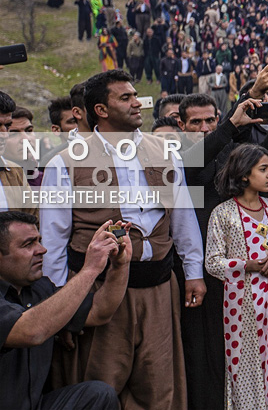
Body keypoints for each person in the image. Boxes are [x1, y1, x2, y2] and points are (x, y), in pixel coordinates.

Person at [39, 70, 205, 410]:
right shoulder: (64, 162)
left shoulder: (165, 151)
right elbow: (54, 242)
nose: (136, 103)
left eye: (135, 96)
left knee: (159, 388)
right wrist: (60, 308)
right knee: (99, 383)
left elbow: (183, 215)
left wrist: (194, 271)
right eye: (125, 97)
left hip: (158, 287)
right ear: (101, 109)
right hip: (97, 294)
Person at [206, 144, 268, 409]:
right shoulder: (223, 214)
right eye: (263, 169)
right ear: (243, 175)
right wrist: (247, 265)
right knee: (249, 370)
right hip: (244, 311)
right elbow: (213, 263)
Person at [0, 213, 127, 410]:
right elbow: (30, 331)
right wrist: (90, 269)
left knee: (98, 395)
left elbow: (99, 310)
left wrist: (120, 265)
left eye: (39, 241)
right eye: (28, 245)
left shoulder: (39, 288)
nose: (42, 250)